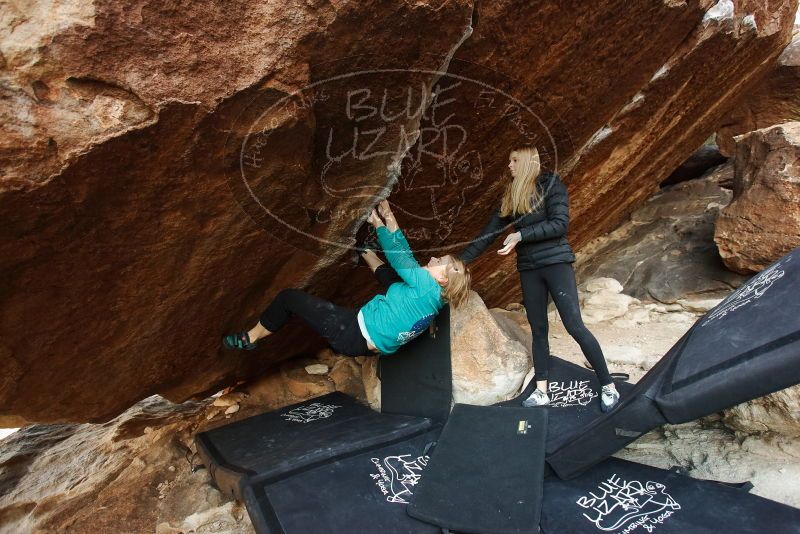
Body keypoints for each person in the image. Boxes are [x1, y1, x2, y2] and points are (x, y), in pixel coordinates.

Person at [459, 146, 620, 412]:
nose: (509, 165)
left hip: (556, 263)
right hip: (529, 267)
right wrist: (459, 262)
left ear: (526, 161)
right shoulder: (512, 194)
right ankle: (542, 391)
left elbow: (560, 223)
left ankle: (607, 385)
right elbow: (487, 234)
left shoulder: (550, 184)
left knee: (573, 324)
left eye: (513, 160)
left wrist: (521, 235)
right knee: (538, 330)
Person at [223, 200, 471, 356]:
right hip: (364, 345)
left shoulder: (426, 284)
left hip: (351, 332)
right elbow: (402, 263)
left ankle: (250, 338)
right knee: (395, 284)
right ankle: (366, 252)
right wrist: (388, 217)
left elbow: (400, 257)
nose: (435, 259)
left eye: (441, 262)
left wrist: (380, 222)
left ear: (443, 279)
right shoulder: (435, 300)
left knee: (288, 298)